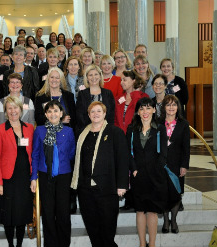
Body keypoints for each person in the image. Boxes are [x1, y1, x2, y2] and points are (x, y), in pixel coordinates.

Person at [71, 101, 129, 247]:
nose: (95, 114)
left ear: (104, 114)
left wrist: (122, 184)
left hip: (107, 189)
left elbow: (123, 159)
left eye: (99, 111)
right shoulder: (82, 133)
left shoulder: (115, 132)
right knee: (92, 228)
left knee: (107, 230)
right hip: (85, 189)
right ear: (89, 115)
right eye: (92, 112)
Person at [31, 100, 76, 247]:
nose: (53, 114)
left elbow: (71, 153)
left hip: (63, 175)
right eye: (49, 111)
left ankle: (64, 244)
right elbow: (35, 154)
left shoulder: (68, 131)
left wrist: (60, 163)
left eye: (56, 110)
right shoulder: (39, 130)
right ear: (45, 114)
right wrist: (33, 177)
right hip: (45, 175)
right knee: (48, 212)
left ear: (61, 113)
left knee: (63, 212)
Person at [0, 96, 34, 247]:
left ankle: (19, 245)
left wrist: (34, 178)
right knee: (8, 215)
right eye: (9, 108)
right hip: (7, 179)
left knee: (22, 214)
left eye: (15, 107)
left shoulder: (30, 128)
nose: (13, 111)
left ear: (20, 109)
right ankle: (11, 245)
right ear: (5, 111)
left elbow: (33, 155)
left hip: (25, 179)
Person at [126, 97, 168, 247]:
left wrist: (156, 170)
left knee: (152, 211)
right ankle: (142, 244)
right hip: (138, 176)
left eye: (148, 108)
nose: (145, 111)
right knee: (140, 210)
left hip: (155, 176)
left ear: (154, 110)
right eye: (142, 108)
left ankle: (152, 244)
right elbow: (128, 153)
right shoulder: (131, 129)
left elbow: (163, 153)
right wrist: (134, 169)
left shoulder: (160, 128)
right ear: (137, 111)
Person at [160, 95, 190, 234]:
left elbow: (186, 147)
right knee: (164, 193)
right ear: (164, 107)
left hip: (177, 164)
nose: (171, 107)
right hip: (161, 164)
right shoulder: (158, 123)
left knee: (176, 193)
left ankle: (174, 220)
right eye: (168, 105)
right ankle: (166, 220)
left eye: (174, 104)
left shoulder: (183, 124)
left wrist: (184, 165)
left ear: (178, 107)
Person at [76, 65, 115, 134]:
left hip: (106, 131)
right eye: (90, 75)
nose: (93, 77)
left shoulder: (108, 93)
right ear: (87, 78)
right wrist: (91, 128)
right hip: (87, 131)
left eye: (96, 74)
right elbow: (80, 115)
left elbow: (111, 114)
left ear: (100, 76)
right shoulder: (82, 94)